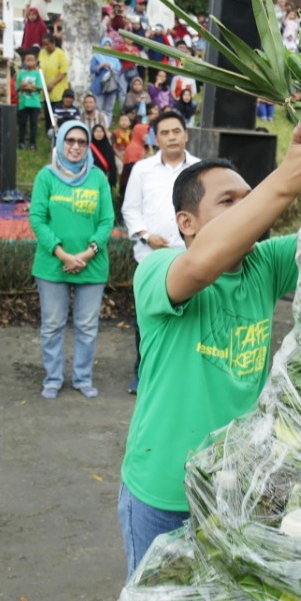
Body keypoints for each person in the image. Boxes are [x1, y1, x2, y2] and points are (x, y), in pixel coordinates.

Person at [118, 127, 301, 576]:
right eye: (229, 202)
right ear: (186, 222)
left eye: (250, 199)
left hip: (239, 489)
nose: (250, 210)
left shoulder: (264, 264)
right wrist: (284, 180)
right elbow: (197, 266)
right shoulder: (158, 269)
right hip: (165, 490)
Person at [30, 120, 115, 401]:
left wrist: (88, 252)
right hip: (52, 265)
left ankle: (82, 378)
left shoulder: (98, 178)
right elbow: (37, 219)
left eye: (81, 141)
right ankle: (53, 378)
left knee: (87, 326)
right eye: (70, 140)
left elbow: (107, 220)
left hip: (92, 264)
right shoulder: (46, 177)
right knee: (53, 324)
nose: (76, 146)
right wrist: (62, 253)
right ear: (60, 143)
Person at [121, 110, 201, 394]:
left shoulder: (200, 169)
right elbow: (130, 208)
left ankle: (183, 378)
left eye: (176, 131)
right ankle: (143, 373)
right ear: (156, 138)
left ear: (186, 134)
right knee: (148, 318)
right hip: (151, 259)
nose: (171, 137)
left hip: (191, 258)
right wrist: (145, 235)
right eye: (165, 133)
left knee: (192, 318)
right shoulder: (142, 169)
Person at [37, 34, 69, 131]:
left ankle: (58, 130)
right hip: (45, 88)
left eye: (47, 44)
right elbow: (38, 66)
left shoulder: (60, 54)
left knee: (57, 111)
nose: (45, 47)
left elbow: (63, 72)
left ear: (53, 43)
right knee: (47, 111)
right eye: (44, 45)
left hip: (57, 88)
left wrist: (53, 83)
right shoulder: (42, 53)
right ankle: (48, 131)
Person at [15, 49, 44, 151]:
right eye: (27, 60)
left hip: (35, 103)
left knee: (33, 124)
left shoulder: (37, 74)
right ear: (24, 61)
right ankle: (21, 142)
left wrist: (27, 86)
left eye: (32, 60)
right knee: (22, 123)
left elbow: (40, 87)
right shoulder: (21, 74)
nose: (29, 62)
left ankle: (32, 143)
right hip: (23, 103)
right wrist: (28, 87)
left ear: (35, 62)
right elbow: (18, 87)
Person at [89, 40, 120, 119]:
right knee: (98, 108)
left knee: (109, 109)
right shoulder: (97, 57)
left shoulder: (115, 58)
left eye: (109, 45)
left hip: (111, 86)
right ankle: (97, 127)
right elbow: (92, 69)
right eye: (105, 44)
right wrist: (102, 65)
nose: (107, 46)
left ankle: (107, 127)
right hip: (99, 86)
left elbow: (119, 70)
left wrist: (113, 70)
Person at [89, 123, 117, 187]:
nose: (99, 133)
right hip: (92, 178)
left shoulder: (108, 147)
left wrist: (111, 179)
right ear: (92, 133)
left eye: (101, 131)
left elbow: (112, 165)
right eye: (96, 131)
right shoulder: (88, 148)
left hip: (105, 178)